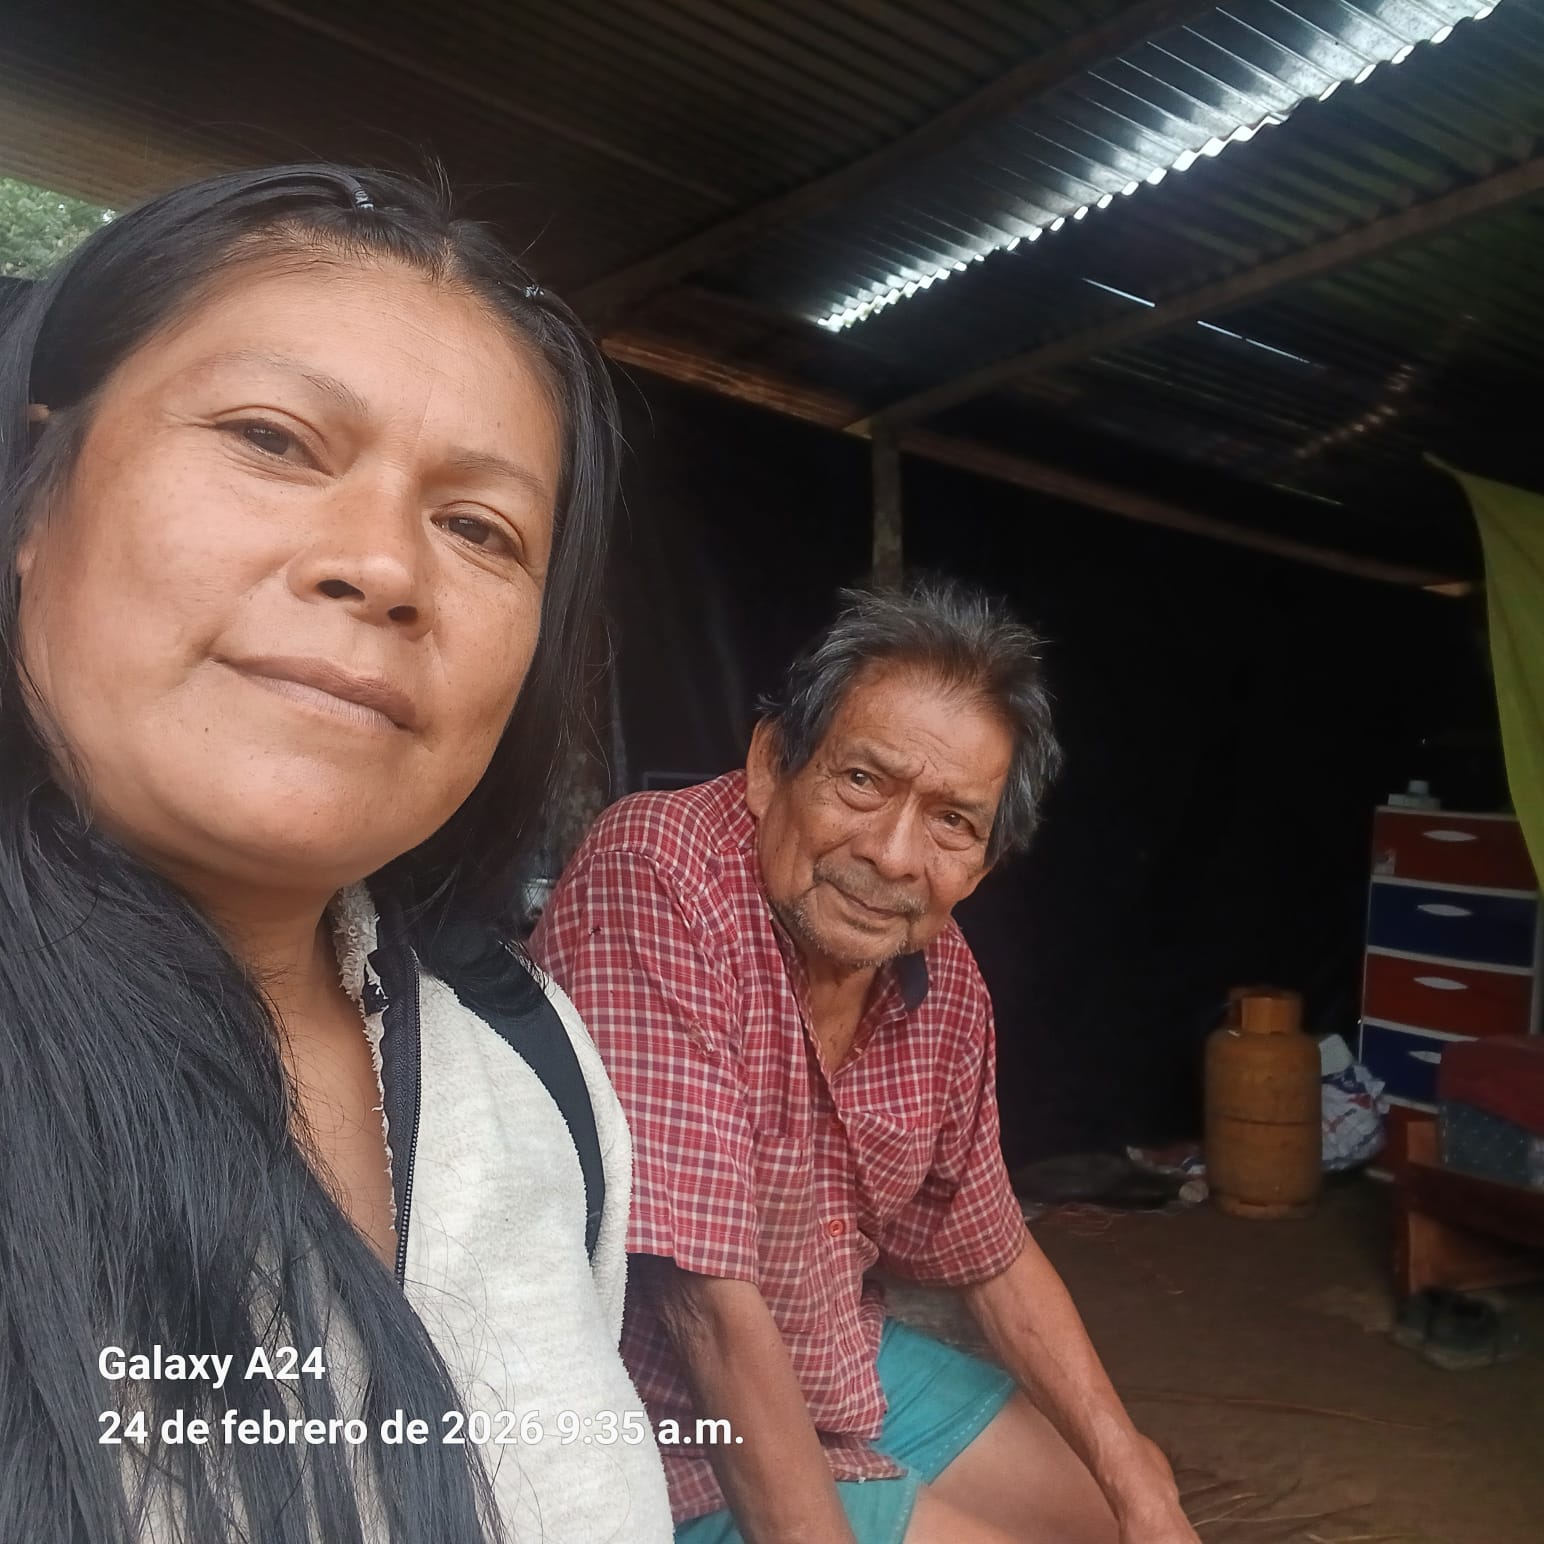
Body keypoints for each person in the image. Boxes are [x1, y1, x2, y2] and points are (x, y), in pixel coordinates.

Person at [0, 164, 673, 1543]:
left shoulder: (530, 1065)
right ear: (34, 494)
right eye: (272, 437)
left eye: (478, 527)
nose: (383, 566)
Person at [534, 583, 1199, 1544]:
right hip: (641, 1419)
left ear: (983, 863)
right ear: (771, 764)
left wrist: (1144, 1494)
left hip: (830, 1361)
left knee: (1121, 1502)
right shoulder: (658, 875)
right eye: (861, 781)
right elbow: (699, 1303)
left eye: (952, 822)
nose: (892, 855)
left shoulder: (944, 978)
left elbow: (992, 1250)